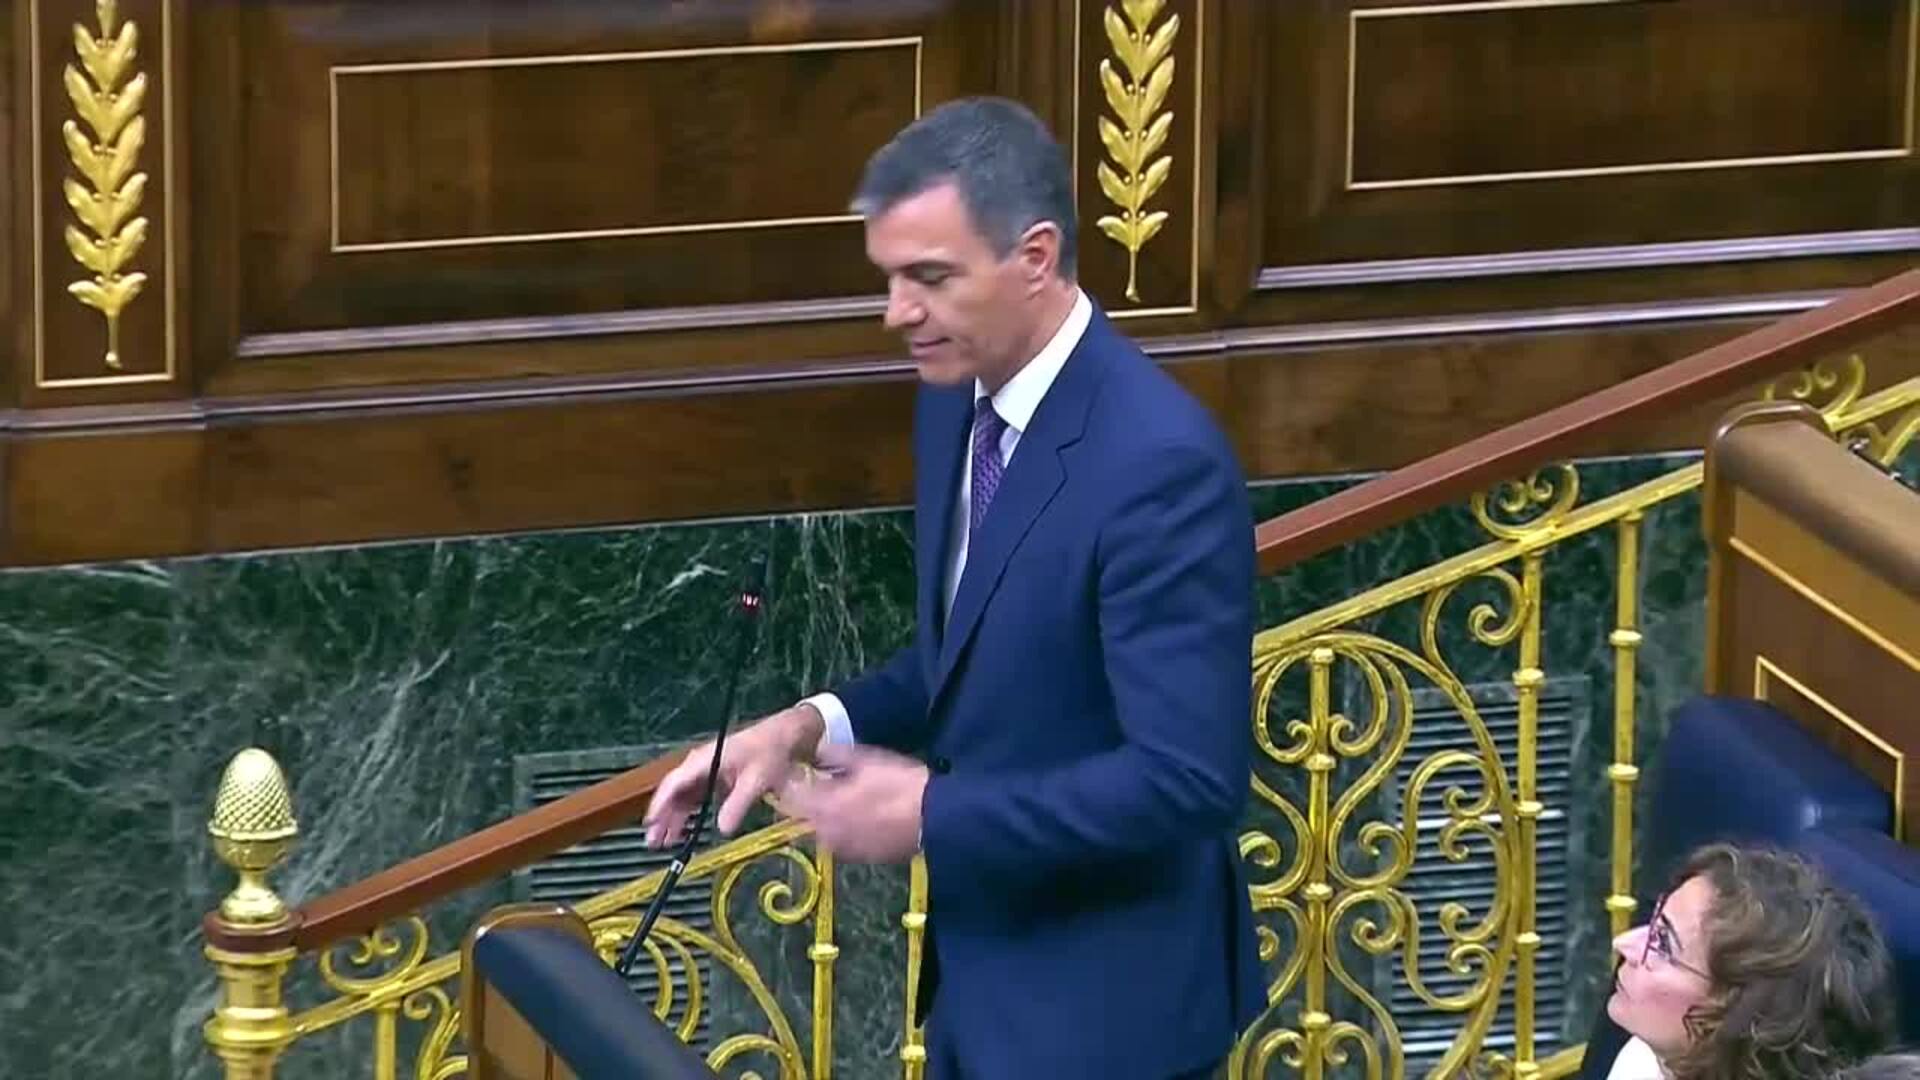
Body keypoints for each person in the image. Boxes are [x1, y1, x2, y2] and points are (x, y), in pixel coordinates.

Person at [642, 96, 1264, 1077]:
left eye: (930, 278)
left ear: (1035, 258)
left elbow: (1188, 781)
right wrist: (805, 726)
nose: (897, 312)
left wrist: (931, 813)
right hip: (980, 989)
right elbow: (972, 658)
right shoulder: (956, 404)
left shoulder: (1160, 465)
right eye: (891, 278)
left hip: (1113, 1017)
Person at [1597, 842, 1896, 1080]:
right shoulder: (1647, 1060)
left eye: (1662, 944)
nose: (1623, 943)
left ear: (1739, 1016)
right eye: (1655, 922)